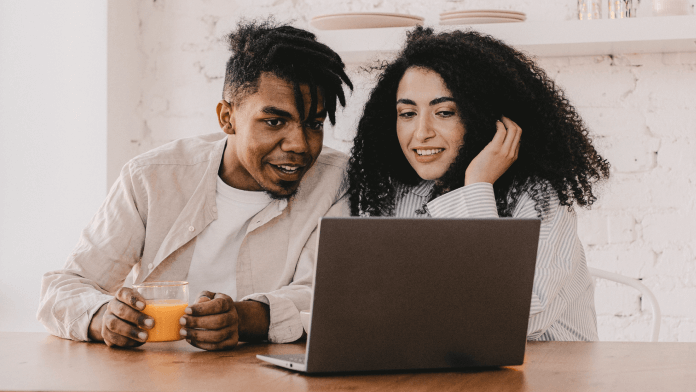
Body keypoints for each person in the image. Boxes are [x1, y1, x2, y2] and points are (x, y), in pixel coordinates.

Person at [38, 20, 353, 350]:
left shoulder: (336, 183)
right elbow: (63, 288)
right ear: (226, 118)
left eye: (314, 124)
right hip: (154, 376)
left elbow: (326, 296)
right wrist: (103, 317)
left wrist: (244, 317)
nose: (300, 145)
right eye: (274, 122)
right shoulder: (152, 178)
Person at [347, 27, 610, 341]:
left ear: (486, 118)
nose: (420, 133)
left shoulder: (540, 198)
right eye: (407, 113)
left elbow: (513, 319)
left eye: (444, 112)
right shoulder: (391, 196)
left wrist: (476, 188)